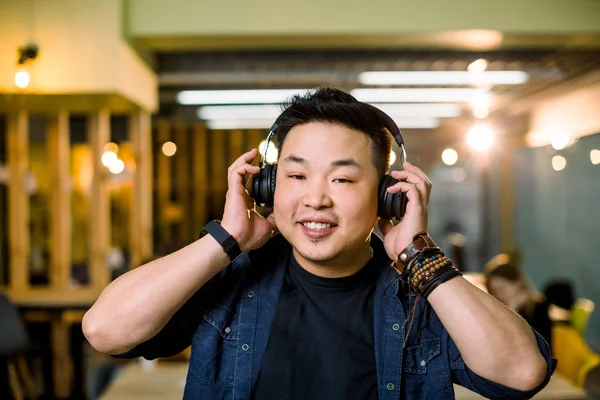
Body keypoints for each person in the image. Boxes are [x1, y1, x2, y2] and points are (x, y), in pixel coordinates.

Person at [83, 87, 555, 399]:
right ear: (267, 188)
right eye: (295, 175)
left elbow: (522, 373)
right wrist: (226, 239)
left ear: (386, 195)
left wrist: (420, 256)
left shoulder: (420, 296)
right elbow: (105, 330)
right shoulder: (231, 281)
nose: (315, 199)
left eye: (343, 179)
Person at [484, 253, 553, 346]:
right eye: (493, 291)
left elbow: (538, 345)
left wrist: (513, 309)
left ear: (517, 283)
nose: (498, 295)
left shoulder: (538, 308)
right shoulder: (495, 310)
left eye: (501, 289)